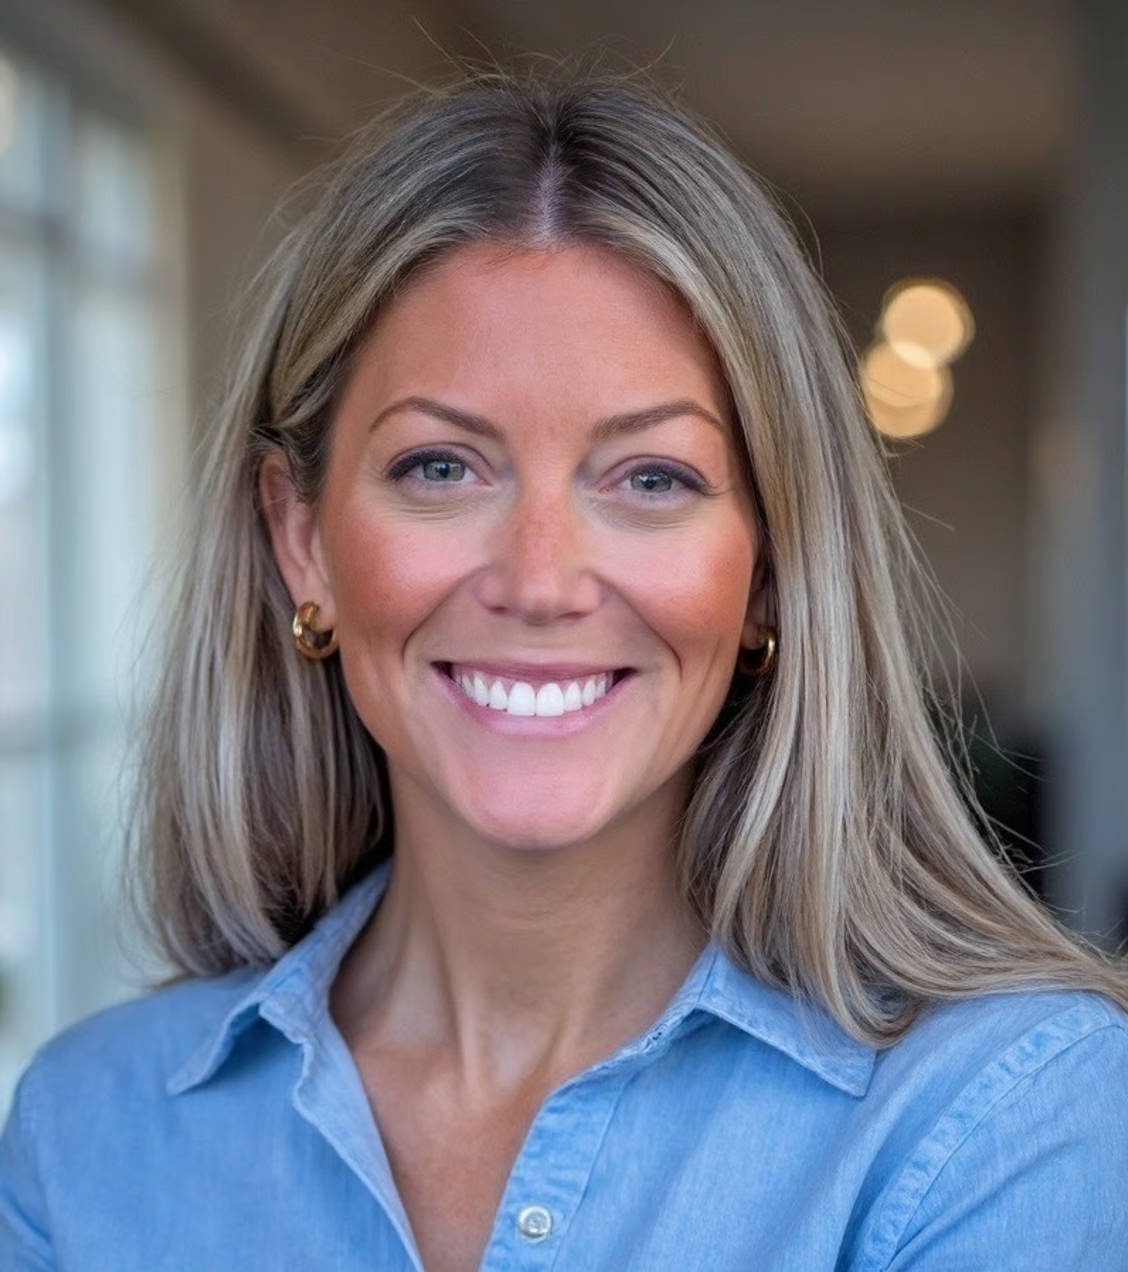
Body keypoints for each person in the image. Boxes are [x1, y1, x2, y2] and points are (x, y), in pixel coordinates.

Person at [2, 65, 1127, 1272]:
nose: (540, 580)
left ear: (769, 571)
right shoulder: (87, 1137)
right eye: (442, 467)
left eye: (652, 479)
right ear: (303, 539)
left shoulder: (1007, 1120)